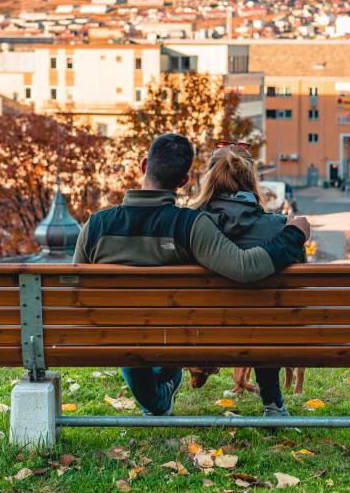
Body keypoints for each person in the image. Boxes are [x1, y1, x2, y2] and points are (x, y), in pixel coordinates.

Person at [74, 133, 311, 416]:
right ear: (184, 180)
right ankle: (165, 389)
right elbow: (245, 267)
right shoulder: (189, 226)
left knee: (131, 338)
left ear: (142, 165)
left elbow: (74, 290)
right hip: (175, 339)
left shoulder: (95, 226)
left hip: (114, 337)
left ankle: (158, 397)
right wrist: (293, 234)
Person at [188, 144, 305, 417]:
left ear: (210, 180)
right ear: (252, 180)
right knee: (266, 319)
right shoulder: (280, 228)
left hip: (202, 335)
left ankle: (160, 398)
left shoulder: (189, 224)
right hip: (267, 333)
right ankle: (273, 403)